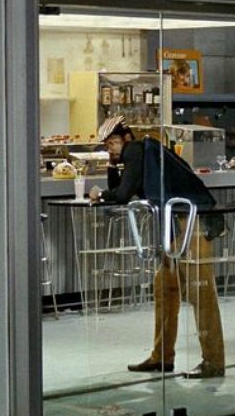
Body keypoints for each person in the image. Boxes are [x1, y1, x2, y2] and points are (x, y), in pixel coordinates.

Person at [90, 115, 226, 379]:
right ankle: (162, 356)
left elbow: (120, 193)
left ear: (126, 139)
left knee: (200, 292)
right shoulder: (142, 152)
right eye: (107, 145)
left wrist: (100, 194)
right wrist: (111, 164)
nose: (112, 149)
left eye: (113, 143)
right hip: (176, 223)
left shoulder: (136, 152)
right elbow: (123, 187)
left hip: (189, 223)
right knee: (165, 288)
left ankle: (214, 360)